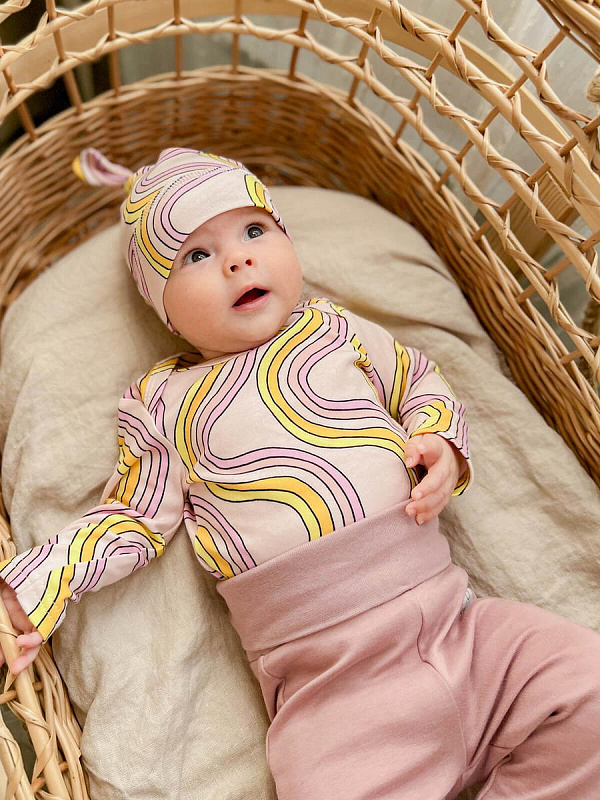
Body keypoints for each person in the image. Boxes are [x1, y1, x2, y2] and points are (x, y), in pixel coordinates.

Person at [0, 147, 599, 800]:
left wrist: (440, 443)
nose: (238, 260)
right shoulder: (163, 401)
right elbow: (132, 518)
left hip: (462, 632)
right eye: (195, 255)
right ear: (160, 303)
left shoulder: (334, 329)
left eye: (255, 231)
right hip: (335, 695)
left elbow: (417, 378)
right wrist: (33, 586)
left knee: (586, 688)